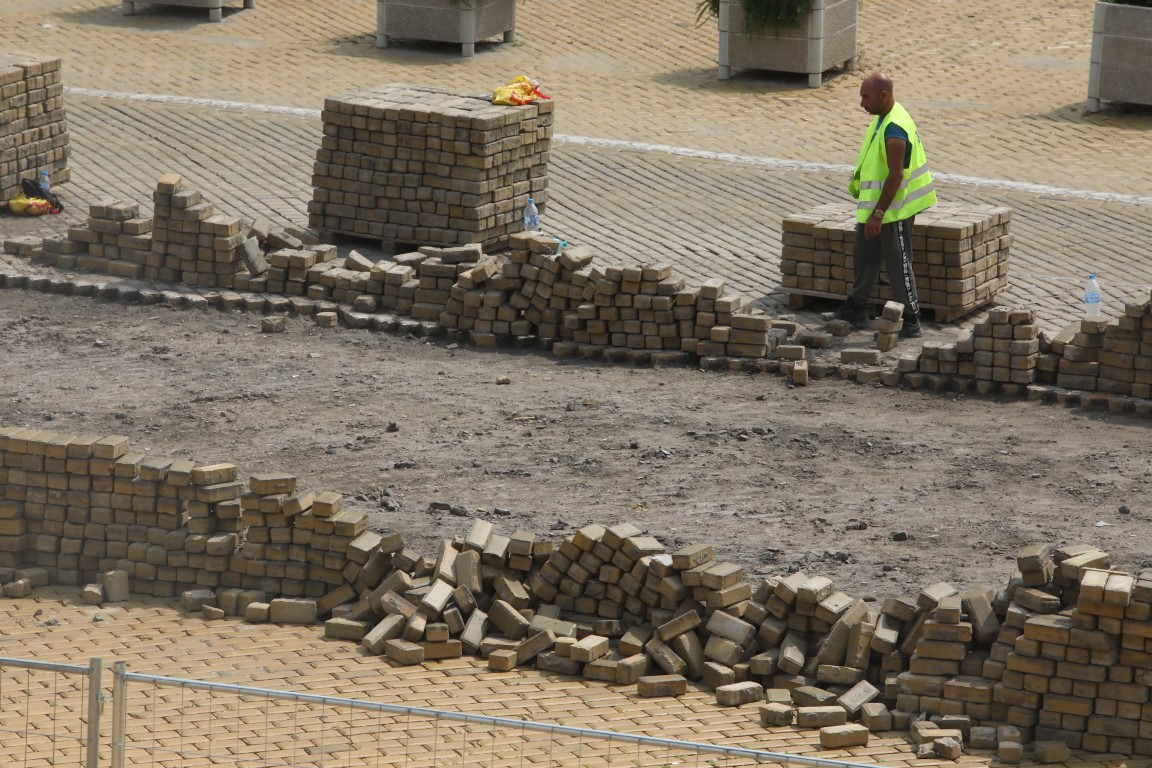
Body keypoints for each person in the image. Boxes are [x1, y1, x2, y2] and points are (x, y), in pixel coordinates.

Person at [835, 72, 937, 338]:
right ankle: (856, 309)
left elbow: (896, 176)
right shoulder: (883, 117)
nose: (861, 103)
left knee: (899, 264)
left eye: (865, 97)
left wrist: (878, 215)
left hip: (894, 211)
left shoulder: (895, 130)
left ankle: (912, 319)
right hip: (876, 210)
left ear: (884, 95)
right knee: (864, 256)